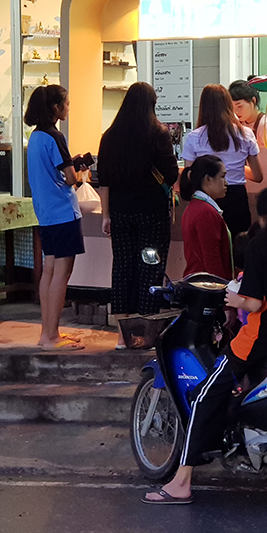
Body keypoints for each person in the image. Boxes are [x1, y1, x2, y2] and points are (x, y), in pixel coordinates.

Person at [143, 186, 267, 504]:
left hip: (258, 344)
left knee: (204, 397)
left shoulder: (259, 246)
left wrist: (234, 298)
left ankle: (181, 481)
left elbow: (255, 304)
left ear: (263, 215)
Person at [97, 82, 179, 348]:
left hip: (120, 214)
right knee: (149, 268)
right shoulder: (158, 133)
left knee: (122, 268)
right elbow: (171, 174)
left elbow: (104, 180)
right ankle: (144, 334)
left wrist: (106, 215)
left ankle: (122, 336)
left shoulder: (109, 136)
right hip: (152, 214)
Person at [24, 85, 84, 351]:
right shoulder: (55, 136)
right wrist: (81, 175)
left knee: (49, 271)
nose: (69, 107)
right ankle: (52, 336)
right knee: (62, 272)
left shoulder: (35, 137)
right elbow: (70, 178)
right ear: (56, 109)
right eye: (67, 103)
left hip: (45, 212)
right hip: (63, 211)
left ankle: (47, 333)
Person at [182, 84, 263, 237]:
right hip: (237, 198)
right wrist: (235, 168)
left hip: (207, 199)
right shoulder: (246, 134)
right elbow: (258, 176)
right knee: (238, 251)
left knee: (210, 249)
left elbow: (190, 175)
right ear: (228, 104)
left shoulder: (194, 137)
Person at [180, 154, 232, 281]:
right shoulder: (205, 212)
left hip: (200, 283)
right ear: (208, 179)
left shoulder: (196, 207)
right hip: (205, 286)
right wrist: (221, 287)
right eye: (222, 177)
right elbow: (211, 259)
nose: (226, 183)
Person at [230, 79, 267, 149]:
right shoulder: (238, 124)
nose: (236, 111)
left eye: (239, 106)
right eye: (232, 107)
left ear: (253, 101)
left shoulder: (265, 124)